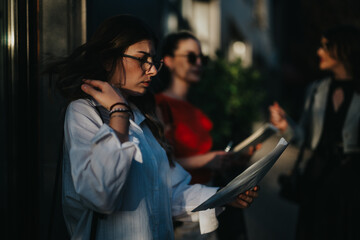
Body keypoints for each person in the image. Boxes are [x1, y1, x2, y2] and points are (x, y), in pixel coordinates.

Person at [52, 15, 258, 240]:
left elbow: (169, 192)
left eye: (153, 60)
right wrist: (118, 111)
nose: (151, 70)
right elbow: (100, 194)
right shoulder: (83, 112)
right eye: (141, 59)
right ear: (108, 60)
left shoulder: (142, 116)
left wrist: (224, 195)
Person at [155, 31, 253, 240]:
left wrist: (232, 159)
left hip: (208, 205)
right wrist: (209, 160)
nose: (199, 62)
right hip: (181, 212)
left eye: (202, 58)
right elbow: (160, 164)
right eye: (191, 57)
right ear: (169, 61)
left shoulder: (196, 112)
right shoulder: (159, 106)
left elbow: (203, 158)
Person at [269, 25, 360, 240]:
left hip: (352, 182)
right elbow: (305, 138)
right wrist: (285, 125)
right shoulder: (316, 90)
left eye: (326, 46)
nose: (319, 51)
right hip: (317, 178)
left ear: (344, 49)